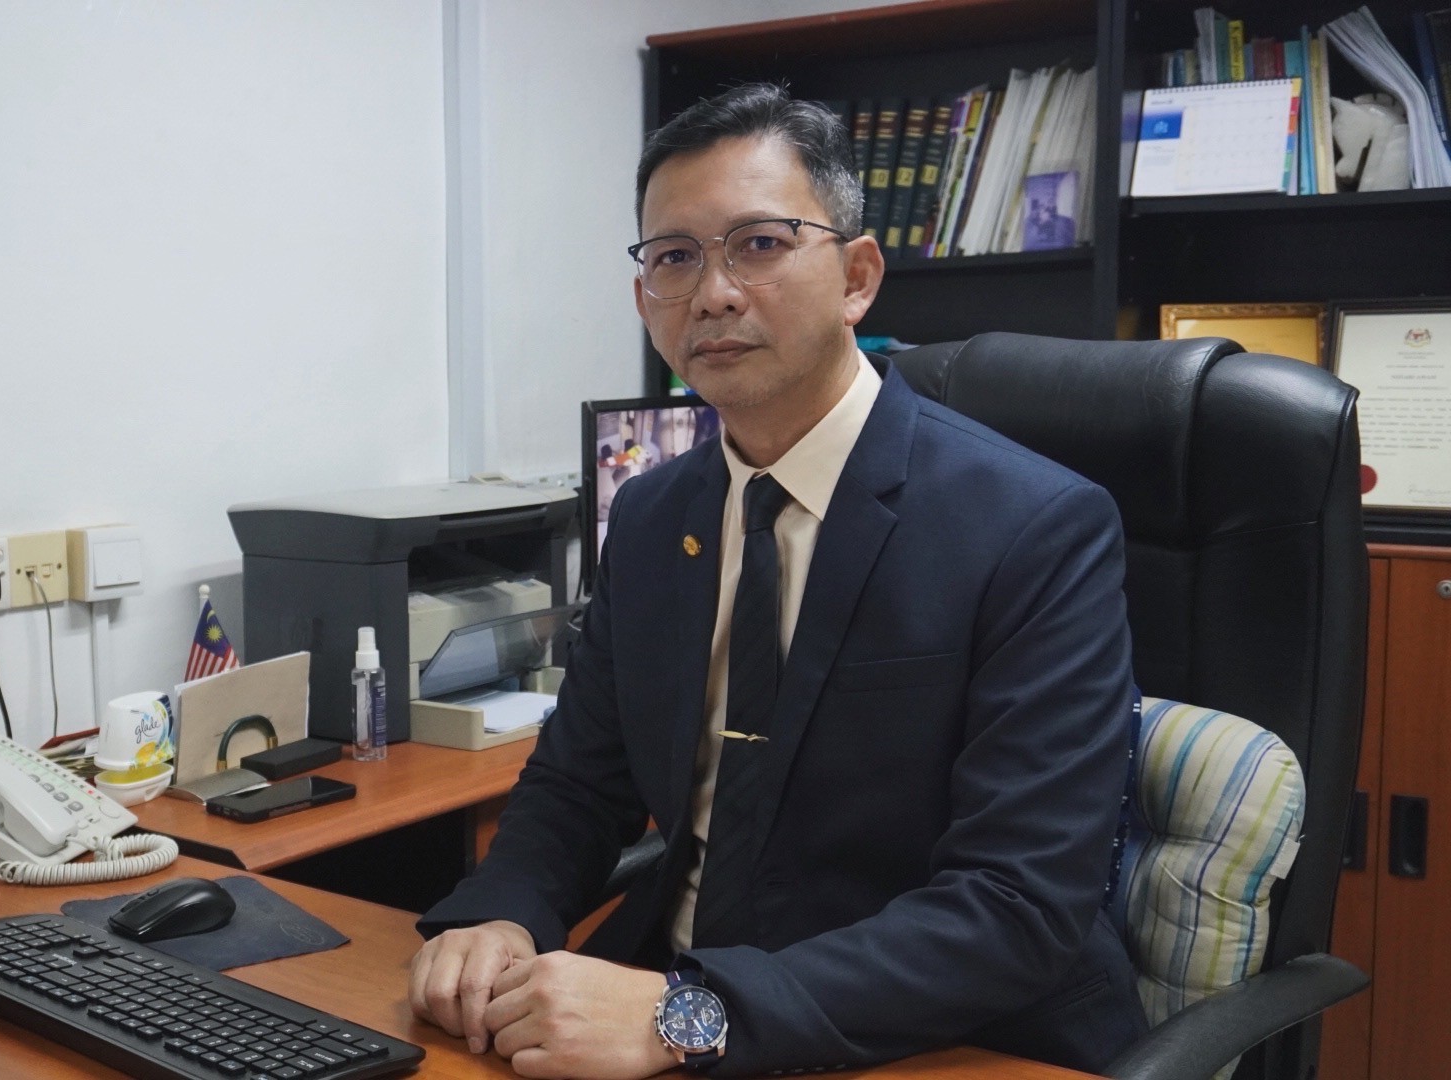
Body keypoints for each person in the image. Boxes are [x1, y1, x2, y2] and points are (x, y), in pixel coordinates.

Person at [406, 83, 1146, 1079]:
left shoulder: (1035, 527)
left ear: (857, 277)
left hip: (939, 1039)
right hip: (669, 1004)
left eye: (759, 244)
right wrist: (500, 914)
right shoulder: (653, 517)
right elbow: (579, 782)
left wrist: (687, 1016)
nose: (713, 293)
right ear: (645, 299)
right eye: (675, 257)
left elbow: (1017, 904)